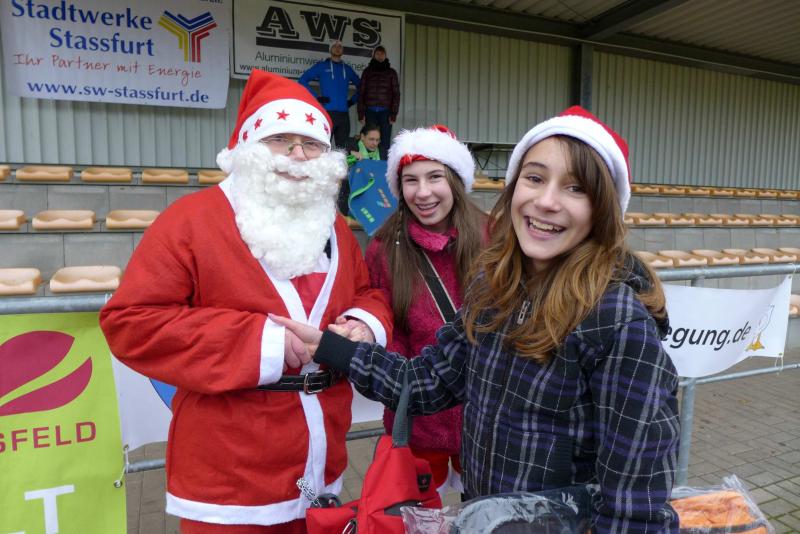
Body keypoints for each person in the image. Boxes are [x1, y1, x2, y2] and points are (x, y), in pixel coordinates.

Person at [273, 106, 682, 533]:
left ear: (604, 209)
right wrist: (333, 347)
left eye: (575, 188)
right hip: (487, 517)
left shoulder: (616, 320)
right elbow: (426, 381)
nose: (546, 201)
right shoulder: (495, 287)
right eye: (535, 178)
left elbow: (635, 506)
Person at [99, 69, 392, 533]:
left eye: (311, 144)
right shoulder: (191, 221)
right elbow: (131, 322)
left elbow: (366, 292)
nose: (298, 155)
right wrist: (261, 344)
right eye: (281, 140)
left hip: (322, 460)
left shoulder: (333, 226)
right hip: (228, 475)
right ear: (249, 148)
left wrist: (363, 323)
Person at [365, 124, 486, 496]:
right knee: (418, 516)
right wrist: (407, 387)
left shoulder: (494, 236)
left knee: (488, 513)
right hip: (418, 416)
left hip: (484, 417)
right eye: (410, 180)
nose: (422, 192)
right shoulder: (384, 248)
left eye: (435, 177)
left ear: (455, 180)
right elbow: (390, 330)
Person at [299, 40, 360, 149]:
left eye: (340, 46)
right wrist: (316, 98)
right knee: (323, 146)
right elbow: (302, 80)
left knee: (343, 149)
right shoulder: (322, 66)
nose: (337, 48)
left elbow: (362, 87)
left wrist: (352, 101)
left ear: (343, 50)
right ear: (330, 49)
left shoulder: (347, 69)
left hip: (343, 115)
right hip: (327, 114)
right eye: (334, 46)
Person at [357, 45, 400, 159]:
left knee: (384, 140)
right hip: (370, 111)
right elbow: (361, 93)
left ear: (385, 55)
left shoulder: (391, 72)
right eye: (377, 53)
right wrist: (361, 113)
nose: (380, 56)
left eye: (382, 54)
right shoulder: (367, 72)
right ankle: (368, 162)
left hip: (386, 112)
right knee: (370, 138)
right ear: (374, 55)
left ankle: (383, 164)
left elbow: (396, 94)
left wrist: (393, 114)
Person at [338, 123, 382, 215]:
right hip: (351, 198)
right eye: (371, 139)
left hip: (375, 198)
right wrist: (349, 154)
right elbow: (337, 162)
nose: (375, 143)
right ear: (362, 137)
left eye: (377, 140)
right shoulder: (350, 147)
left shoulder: (383, 153)